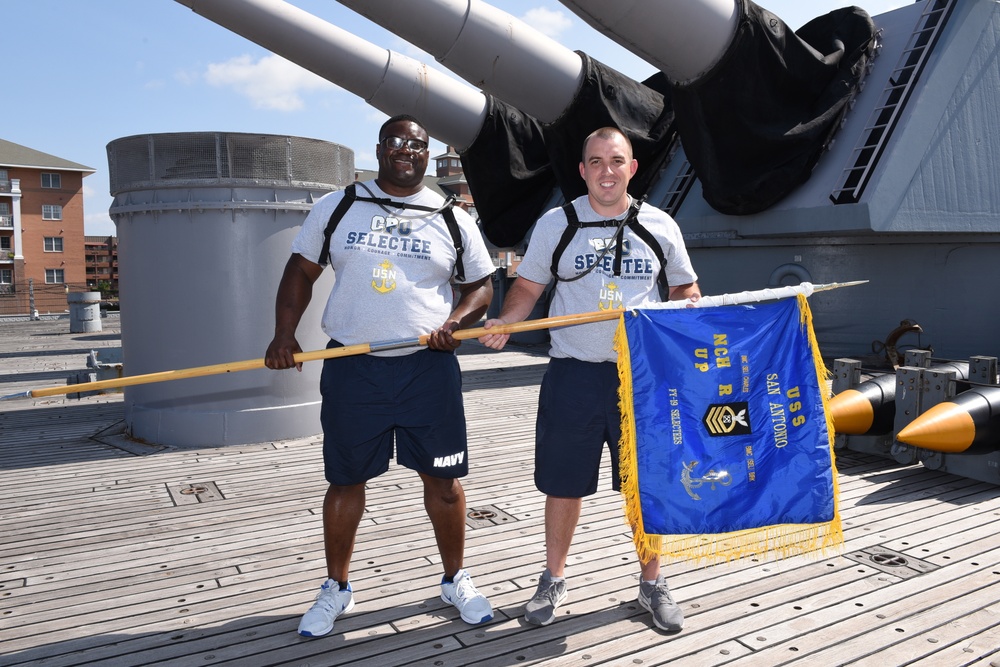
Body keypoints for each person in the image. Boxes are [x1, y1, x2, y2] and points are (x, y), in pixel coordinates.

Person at [265, 114, 497, 638]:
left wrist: (455, 323)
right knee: (345, 480)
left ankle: (455, 579)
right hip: (353, 366)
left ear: (427, 153)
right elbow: (300, 270)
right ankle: (337, 588)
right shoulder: (340, 205)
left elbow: (481, 286)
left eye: (417, 145)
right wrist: (284, 335)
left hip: (427, 369)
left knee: (443, 482)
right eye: (396, 142)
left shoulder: (450, 215)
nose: (406, 151)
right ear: (379, 148)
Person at [478, 126, 700, 632]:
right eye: (596, 162)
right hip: (572, 375)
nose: (606, 171)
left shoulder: (660, 225)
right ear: (582, 170)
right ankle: (552, 578)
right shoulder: (558, 224)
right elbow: (527, 289)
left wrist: (692, 317)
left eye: (616, 161)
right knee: (563, 486)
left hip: (640, 381)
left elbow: (686, 290)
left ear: (632, 168)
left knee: (645, 489)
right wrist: (508, 322)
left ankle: (651, 583)